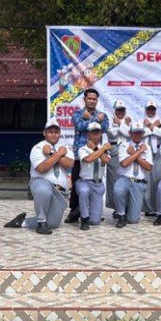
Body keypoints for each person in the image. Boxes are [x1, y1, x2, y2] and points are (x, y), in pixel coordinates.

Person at [4, 119, 74, 234]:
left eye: (56, 132)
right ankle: (41, 223)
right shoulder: (38, 148)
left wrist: (52, 153)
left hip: (60, 191)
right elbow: (42, 168)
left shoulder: (64, 148)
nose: (53, 134)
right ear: (44, 133)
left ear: (60, 134)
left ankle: (22, 222)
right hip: (41, 182)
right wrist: (58, 154)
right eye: (50, 132)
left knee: (53, 223)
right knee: (44, 190)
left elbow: (69, 164)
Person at [66, 88, 109, 223]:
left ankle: (93, 210)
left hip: (97, 153)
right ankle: (74, 211)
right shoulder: (77, 113)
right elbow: (80, 126)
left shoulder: (103, 115)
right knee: (77, 183)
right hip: (79, 155)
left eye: (94, 99)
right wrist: (95, 119)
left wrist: (89, 118)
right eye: (89, 98)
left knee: (94, 181)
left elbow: (104, 128)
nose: (92, 101)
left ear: (97, 100)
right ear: (84, 99)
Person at [112, 122, 153, 228]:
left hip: (138, 182)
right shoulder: (124, 145)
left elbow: (149, 167)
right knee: (117, 190)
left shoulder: (147, 147)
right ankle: (121, 215)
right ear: (130, 133)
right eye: (135, 132)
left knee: (133, 220)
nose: (137, 135)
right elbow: (124, 163)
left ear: (143, 134)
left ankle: (127, 209)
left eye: (140, 132)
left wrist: (135, 153)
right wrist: (139, 152)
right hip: (124, 178)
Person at [75, 122, 112, 230]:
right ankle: (84, 218)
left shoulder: (104, 149)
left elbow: (106, 160)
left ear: (101, 134)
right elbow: (88, 159)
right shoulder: (83, 149)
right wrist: (100, 149)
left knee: (95, 222)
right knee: (84, 192)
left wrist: (97, 149)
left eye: (98, 133)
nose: (95, 135)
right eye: (93, 133)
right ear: (88, 135)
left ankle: (81, 209)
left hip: (98, 184)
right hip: (84, 182)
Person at [105, 100, 132, 214]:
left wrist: (121, 123)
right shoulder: (109, 121)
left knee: (126, 178)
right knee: (113, 179)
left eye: (122, 110)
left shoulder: (128, 121)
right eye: (118, 110)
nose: (120, 112)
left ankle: (127, 205)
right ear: (114, 110)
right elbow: (112, 134)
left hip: (127, 151)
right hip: (114, 151)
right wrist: (122, 124)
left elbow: (129, 134)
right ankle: (116, 207)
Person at [142, 101, 161, 216]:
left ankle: (159, 206)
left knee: (158, 181)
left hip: (157, 155)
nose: (151, 111)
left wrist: (150, 125)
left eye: (153, 109)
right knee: (147, 182)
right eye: (149, 109)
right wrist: (153, 127)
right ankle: (148, 208)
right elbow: (142, 134)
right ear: (146, 110)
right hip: (146, 154)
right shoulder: (141, 122)